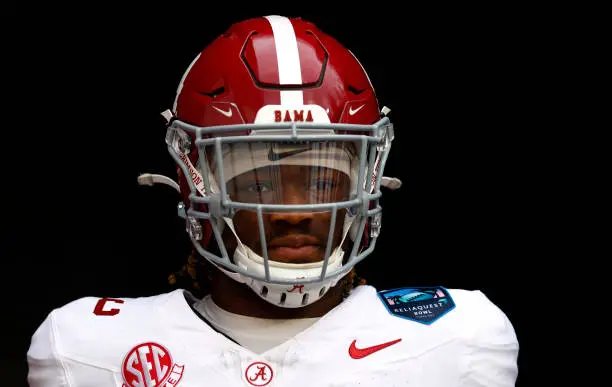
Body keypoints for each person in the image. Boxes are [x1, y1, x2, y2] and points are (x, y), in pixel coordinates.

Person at [26, 15, 519, 386]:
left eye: (323, 181)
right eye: (259, 183)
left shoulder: (457, 341)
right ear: (195, 181)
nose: (294, 210)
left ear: (367, 183)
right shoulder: (87, 349)